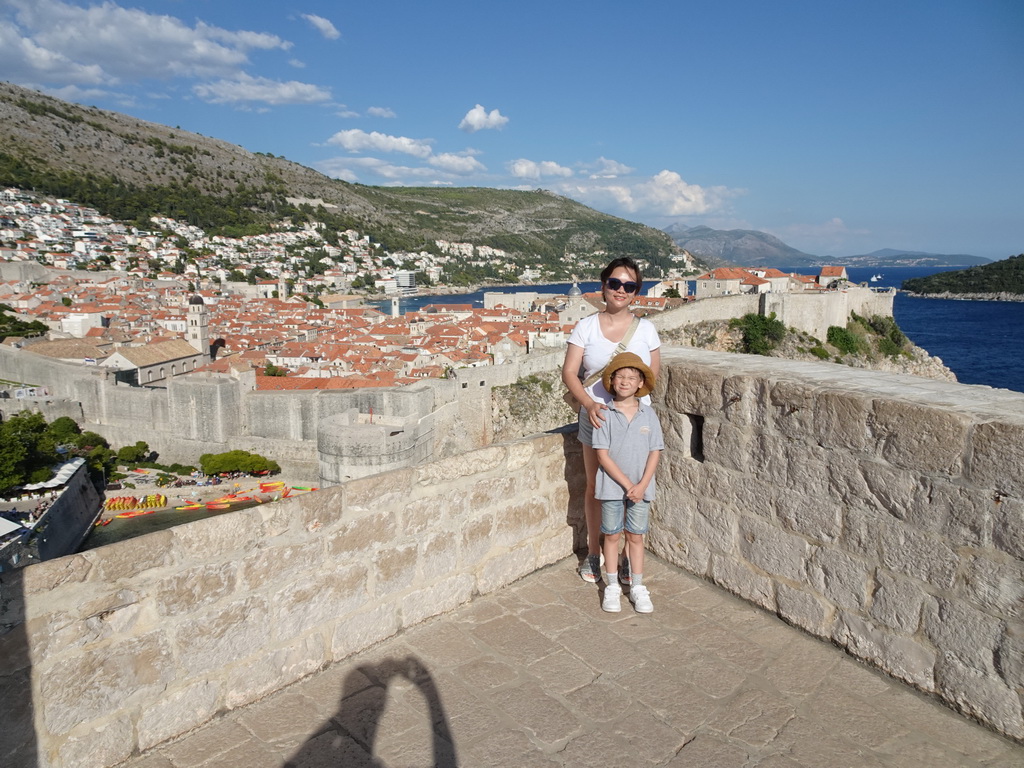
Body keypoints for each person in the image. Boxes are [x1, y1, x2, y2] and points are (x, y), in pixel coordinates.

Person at [561, 257, 661, 584]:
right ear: (603, 285)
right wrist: (589, 404)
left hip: (634, 423)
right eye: (615, 283)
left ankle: (627, 556)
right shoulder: (586, 327)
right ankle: (595, 554)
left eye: (629, 286)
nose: (621, 290)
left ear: (636, 292)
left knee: (634, 488)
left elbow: (652, 378)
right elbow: (569, 372)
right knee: (595, 489)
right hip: (598, 417)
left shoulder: (646, 330)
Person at [592, 352, 664, 613]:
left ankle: (637, 586)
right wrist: (628, 485)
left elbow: (655, 451)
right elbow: (602, 455)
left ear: (640, 384)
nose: (625, 381)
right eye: (620, 376)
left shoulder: (648, 415)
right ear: (612, 381)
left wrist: (642, 485)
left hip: (641, 488)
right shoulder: (604, 414)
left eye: (631, 377)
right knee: (611, 535)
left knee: (635, 536)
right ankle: (611, 585)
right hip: (612, 486)